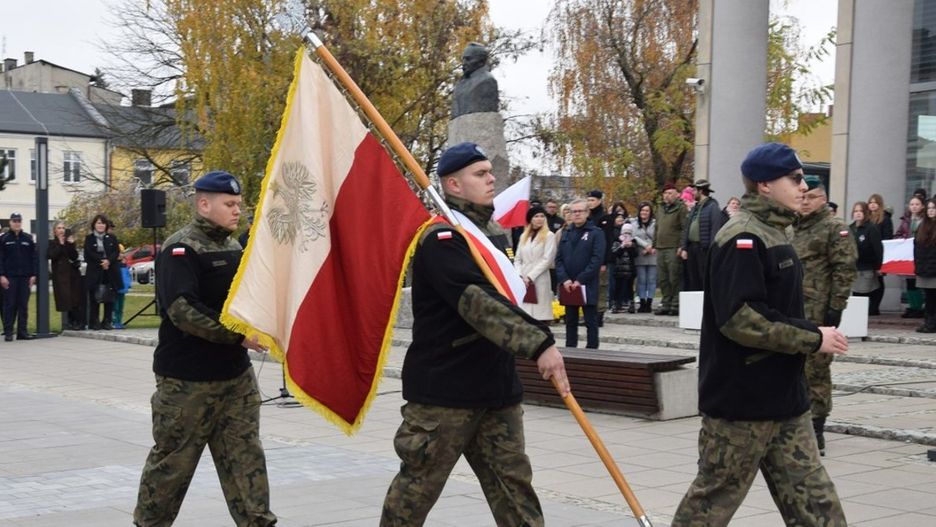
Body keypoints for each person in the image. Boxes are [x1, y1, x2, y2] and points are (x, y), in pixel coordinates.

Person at [380, 143, 568, 526]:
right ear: (454, 184)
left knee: (516, 495)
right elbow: (475, 302)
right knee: (412, 498)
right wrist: (539, 342)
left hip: (496, 389)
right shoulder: (441, 240)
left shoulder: (488, 236)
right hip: (445, 396)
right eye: (480, 174)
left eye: (490, 172)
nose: (491, 179)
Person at [673, 143, 848, 526]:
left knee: (818, 505)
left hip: (786, 400)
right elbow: (740, 318)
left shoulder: (776, 232)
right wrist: (813, 337)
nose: (804, 186)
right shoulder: (742, 237)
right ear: (765, 184)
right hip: (742, 404)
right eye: (795, 179)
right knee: (710, 504)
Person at [134, 170, 276, 527]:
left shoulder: (235, 247)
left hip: (235, 378)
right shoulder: (181, 248)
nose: (237, 210)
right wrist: (238, 335)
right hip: (187, 382)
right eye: (229, 204)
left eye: (239, 204)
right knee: (172, 466)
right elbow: (183, 310)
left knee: (246, 461)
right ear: (203, 204)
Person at [793, 176, 857, 456]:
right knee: (791, 366)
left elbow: (845, 268)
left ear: (824, 199)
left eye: (812, 197)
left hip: (818, 310)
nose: (806, 202)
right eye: (803, 196)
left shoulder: (834, 228)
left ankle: (816, 428)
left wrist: (836, 306)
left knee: (816, 369)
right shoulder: (791, 227)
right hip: (791, 309)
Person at [555, 198, 605, 348]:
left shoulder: (596, 233)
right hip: (568, 285)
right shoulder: (566, 232)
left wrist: (580, 280)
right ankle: (571, 351)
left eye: (580, 211)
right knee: (570, 321)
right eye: (573, 211)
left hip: (587, 284)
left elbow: (596, 260)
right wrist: (565, 279)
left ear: (587, 212)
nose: (576, 214)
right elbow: (558, 259)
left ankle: (592, 352)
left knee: (590, 321)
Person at [514, 205, 557, 322]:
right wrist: (519, 275)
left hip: (540, 278)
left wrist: (530, 276)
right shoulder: (524, 236)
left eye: (542, 216)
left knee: (540, 315)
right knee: (525, 315)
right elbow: (517, 259)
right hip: (523, 280)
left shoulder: (549, 235)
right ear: (530, 219)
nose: (539, 219)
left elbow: (547, 259)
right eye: (536, 216)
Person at [680, 179, 723, 291]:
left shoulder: (713, 207)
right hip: (692, 248)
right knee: (692, 278)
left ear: (701, 191)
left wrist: (711, 250)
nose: (693, 193)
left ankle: (705, 301)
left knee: (703, 277)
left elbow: (715, 230)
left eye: (694, 190)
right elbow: (687, 228)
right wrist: (684, 248)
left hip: (703, 249)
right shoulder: (695, 207)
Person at [0, 212, 37, 341]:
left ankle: (22, 332)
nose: (17, 223)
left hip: (25, 277)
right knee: (9, 305)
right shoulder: (4, 239)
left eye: (19, 221)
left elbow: (33, 258)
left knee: (23, 305)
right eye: (14, 221)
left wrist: (33, 274)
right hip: (9, 277)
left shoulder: (28, 239)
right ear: (10, 222)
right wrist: (1, 275)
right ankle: (8, 332)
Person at [83, 214, 120, 331]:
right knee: (95, 297)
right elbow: (88, 254)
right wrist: (101, 261)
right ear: (94, 224)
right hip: (95, 271)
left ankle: (107, 321)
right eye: (98, 223)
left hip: (109, 271)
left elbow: (116, 252)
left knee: (109, 296)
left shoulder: (111, 238)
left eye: (103, 223)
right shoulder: (89, 238)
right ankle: (94, 321)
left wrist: (108, 261)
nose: (101, 225)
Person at [655, 183, 687, 315]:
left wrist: (682, 246)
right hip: (660, 247)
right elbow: (657, 227)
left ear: (676, 195)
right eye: (665, 193)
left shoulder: (681, 208)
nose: (667, 196)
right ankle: (666, 303)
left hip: (673, 247)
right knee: (663, 278)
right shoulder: (660, 208)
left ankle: (676, 304)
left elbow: (685, 228)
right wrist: (654, 244)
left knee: (674, 276)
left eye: (670, 193)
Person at [850, 201, 884, 314]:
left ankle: (870, 311)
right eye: (856, 211)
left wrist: (879, 266)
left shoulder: (871, 228)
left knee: (863, 294)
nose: (858, 213)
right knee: (855, 295)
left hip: (866, 267)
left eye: (861, 211)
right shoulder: (850, 228)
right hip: (853, 268)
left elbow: (878, 249)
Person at [48, 221, 83, 330]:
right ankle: (70, 321)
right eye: (59, 228)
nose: (61, 230)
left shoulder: (69, 241)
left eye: (63, 228)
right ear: (54, 231)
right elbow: (52, 255)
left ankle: (77, 321)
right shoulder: (52, 243)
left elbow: (74, 256)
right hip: (60, 275)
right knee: (65, 298)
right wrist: (60, 244)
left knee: (75, 298)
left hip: (72, 274)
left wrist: (71, 244)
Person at [585, 189, 613, 325]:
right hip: (587, 258)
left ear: (599, 201)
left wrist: (604, 262)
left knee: (601, 286)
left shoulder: (605, 218)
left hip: (600, 259)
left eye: (593, 200)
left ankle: (599, 315)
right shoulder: (587, 217)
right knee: (589, 286)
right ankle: (589, 315)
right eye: (588, 200)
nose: (590, 203)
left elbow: (608, 241)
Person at [896, 195, 926, 318]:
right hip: (908, 254)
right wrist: (901, 239)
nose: (914, 207)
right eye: (912, 204)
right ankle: (912, 306)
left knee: (919, 282)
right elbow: (898, 234)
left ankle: (919, 307)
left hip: (921, 254)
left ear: (922, 206)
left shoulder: (925, 220)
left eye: (917, 204)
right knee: (909, 281)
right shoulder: (906, 220)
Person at [451, 43, 499, 118]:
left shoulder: (487, 81)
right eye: (463, 59)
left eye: (468, 59)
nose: (464, 63)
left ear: (481, 61)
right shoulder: (460, 83)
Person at [913, 199, 936, 332]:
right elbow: (917, 248)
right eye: (929, 208)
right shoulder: (922, 226)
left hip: (934, 268)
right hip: (924, 267)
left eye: (933, 208)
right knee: (928, 297)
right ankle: (928, 322)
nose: (931, 211)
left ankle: (932, 323)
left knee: (933, 297)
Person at [631, 201, 657, 313]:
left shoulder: (655, 223)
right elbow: (634, 237)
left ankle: (649, 302)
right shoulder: (634, 223)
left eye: (647, 210)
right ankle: (642, 302)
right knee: (641, 280)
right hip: (640, 253)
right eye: (642, 210)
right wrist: (645, 246)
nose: (644, 212)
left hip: (653, 253)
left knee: (651, 279)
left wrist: (651, 247)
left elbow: (658, 236)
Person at [611, 221, 638, 313]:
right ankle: (616, 304)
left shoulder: (634, 241)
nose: (627, 234)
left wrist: (630, 246)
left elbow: (635, 254)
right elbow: (615, 253)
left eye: (629, 232)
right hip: (619, 269)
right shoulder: (617, 241)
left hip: (630, 269)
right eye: (625, 232)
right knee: (618, 287)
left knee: (630, 287)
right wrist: (622, 246)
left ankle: (631, 304)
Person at [112, 253, 132, 329]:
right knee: (115, 307)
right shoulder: (115, 266)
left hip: (123, 289)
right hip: (116, 289)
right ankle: (114, 321)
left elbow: (127, 277)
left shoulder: (125, 267)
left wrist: (128, 285)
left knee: (120, 306)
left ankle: (119, 321)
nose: (122, 255)